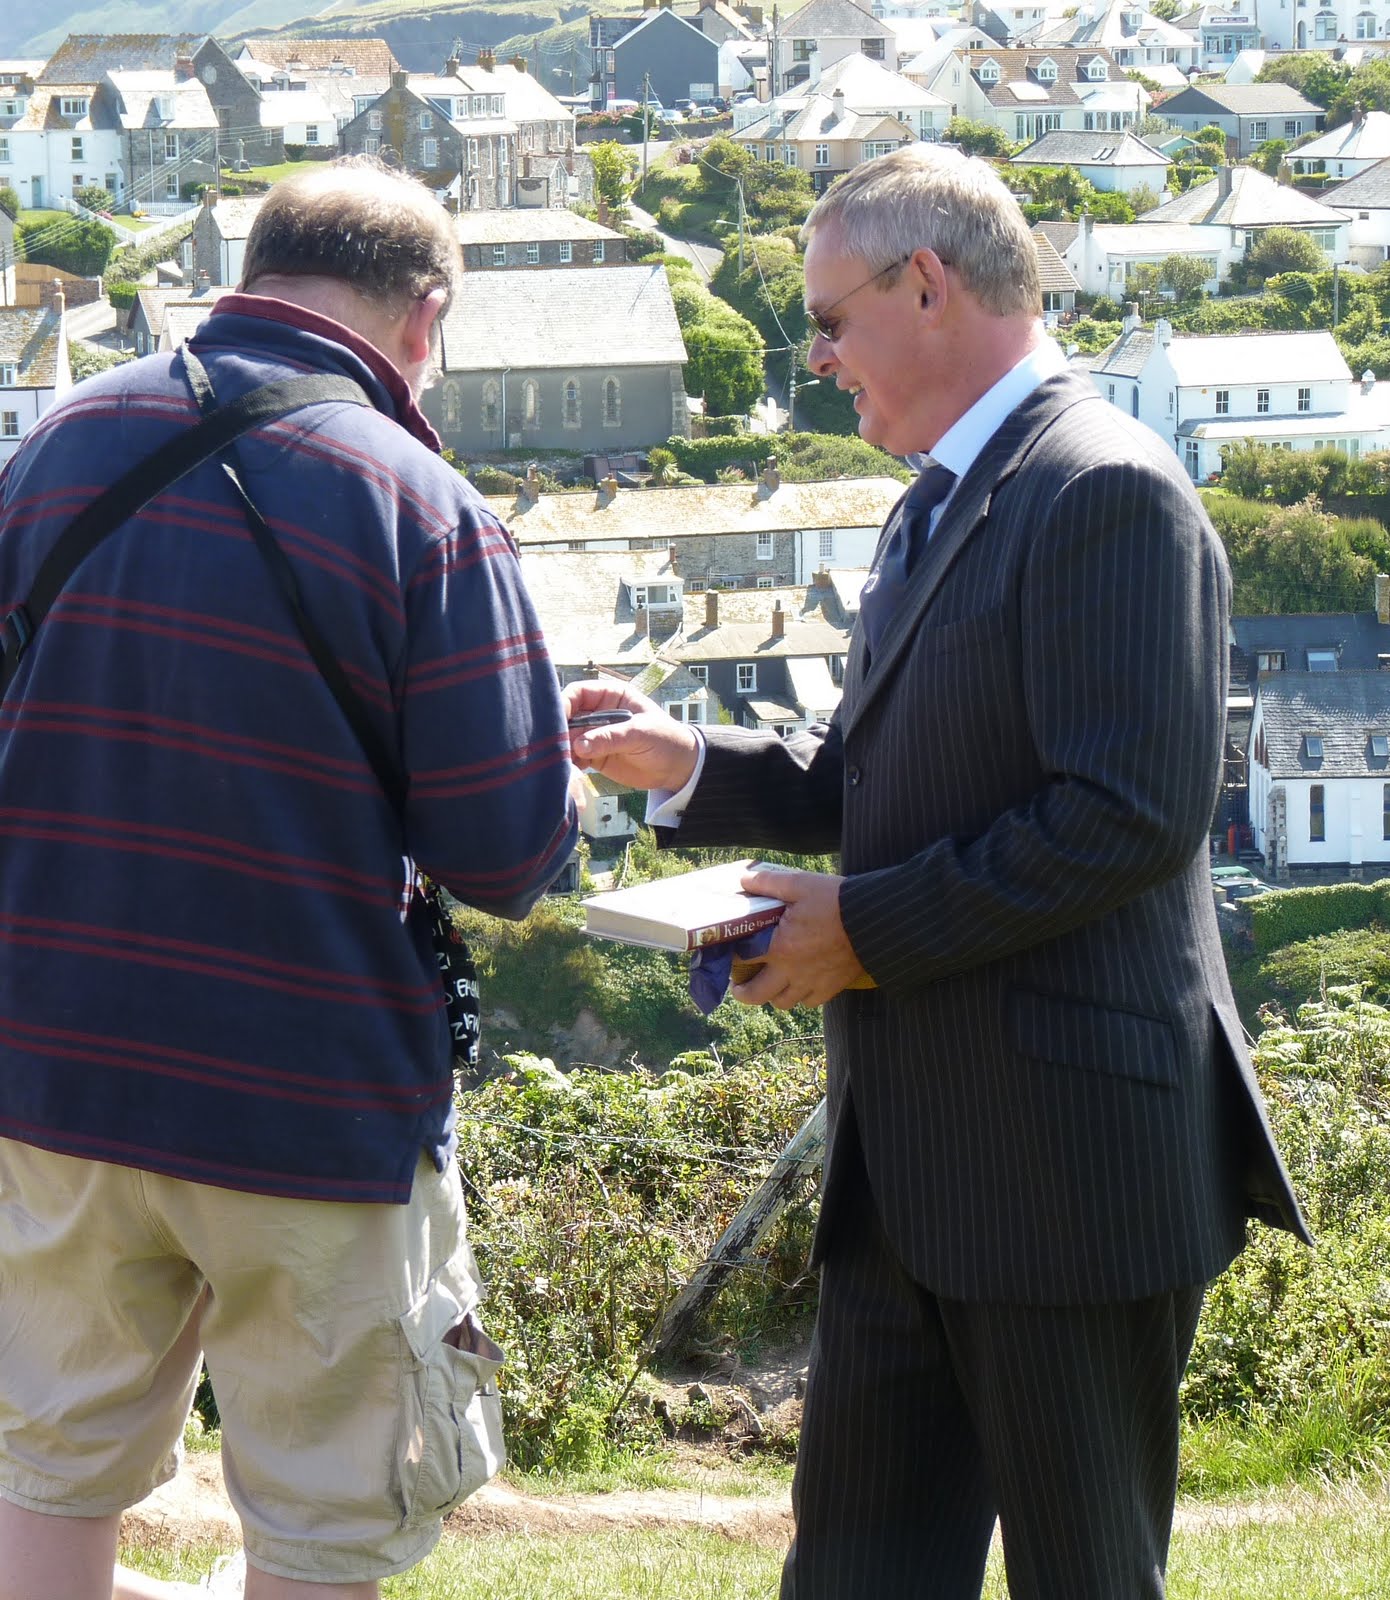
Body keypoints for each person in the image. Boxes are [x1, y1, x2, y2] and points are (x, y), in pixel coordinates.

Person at [563, 143, 1309, 1600]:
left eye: (827, 320)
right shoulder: (939, 496)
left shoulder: (1106, 488)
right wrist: (689, 764)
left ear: (926, 284)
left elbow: (1126, 817)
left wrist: (862, 933)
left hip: (1068, 1174)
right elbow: (873, 773)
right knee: (855, 1573)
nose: (816, 359)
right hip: (907, 1169)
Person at [0, 157, 577, 1600]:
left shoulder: (57, 444)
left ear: (252, 274)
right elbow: (506, 856)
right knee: (324, 1521)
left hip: (54, 1066)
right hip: (310, 1101)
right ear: (425, 315)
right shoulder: (421, 504)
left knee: (46, 1477)